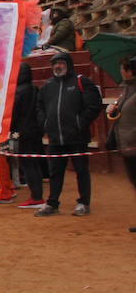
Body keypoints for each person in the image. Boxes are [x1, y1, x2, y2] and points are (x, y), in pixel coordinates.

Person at [34, 52, 102, 217]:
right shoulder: (48, 86)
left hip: (77, 137)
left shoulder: (81, 81)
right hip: (55, 138)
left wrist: (79, 123)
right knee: (55, 172)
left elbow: (94, 105)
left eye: (61, 63)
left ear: (69, 65)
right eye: (55, 64)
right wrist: (45, 124)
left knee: (81, 170)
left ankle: (83, 203)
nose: (58, 66)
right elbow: (39, 107)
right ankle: (52, 203)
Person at [12, 64, 48, 210]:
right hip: (35, 131)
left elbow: (14, 116)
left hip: (23, 133)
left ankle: (36, 197)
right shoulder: (34, 89)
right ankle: (37, 195)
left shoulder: (19, 92)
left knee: (28, 165)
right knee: (35, 164)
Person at [110, 57, 136, 221]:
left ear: (129, 71)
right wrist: (113, 110)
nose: (121, 72)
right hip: (127, 145)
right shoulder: (126, 90)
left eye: (122, 69)